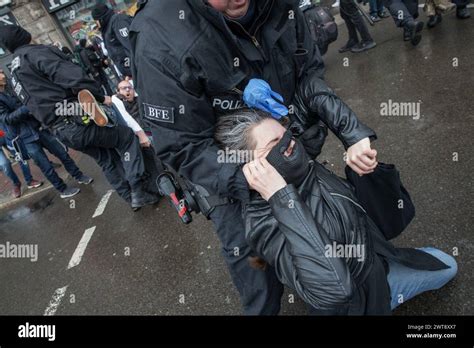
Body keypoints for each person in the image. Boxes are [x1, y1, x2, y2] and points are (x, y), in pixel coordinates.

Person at [130, 0, 379, 315]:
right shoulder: (159, 36)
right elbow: (182, 145)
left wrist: (352, 131)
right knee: (257, 276)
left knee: (325, 235)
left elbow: (310, 75)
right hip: (229, 182)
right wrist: (254, 179)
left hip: (294, 150)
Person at [215, 109, 457, 314]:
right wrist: (281, 198)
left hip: (378, 261)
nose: (289, 143)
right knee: (448, 265)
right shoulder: (262, 222)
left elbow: (313, 88)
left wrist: (357, 143)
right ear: (251, 168)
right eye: (273, 145)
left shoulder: (301, 163)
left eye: (285, 134)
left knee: (446, 263)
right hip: (363, 299)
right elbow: (335, 291)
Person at [0, 24, 158, 209]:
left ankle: (129, 197)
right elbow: (75, 78)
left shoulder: (15, 71)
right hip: (74, 118)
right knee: (126, 138)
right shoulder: (37, 54)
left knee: (105, 159)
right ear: (24, 35)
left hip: (59, 129)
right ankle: (138, 189)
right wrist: (100, 97)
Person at [0, 71, 90, 199]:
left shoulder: (11, 87)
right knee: (46, 166)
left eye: (2, 72)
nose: (3, 75)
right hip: (24, 138)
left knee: (62, 153)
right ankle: (62, 189)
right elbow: (7, 119)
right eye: (0, 73)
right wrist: (27, 108)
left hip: (39, 128)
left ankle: (79, 175)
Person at [91, 4, 133, 79]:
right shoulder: (107, 27)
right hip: (129, 71)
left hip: (136, 69)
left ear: (100, 18)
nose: (96, 24)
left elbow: (131, 46)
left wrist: (134, 70)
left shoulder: (118, 21)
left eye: (96, 21)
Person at [0, 130, 42, 199]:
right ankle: (16, 184)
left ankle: (29, 180)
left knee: (21, 156)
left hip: (5, 133)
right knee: (5, 165)